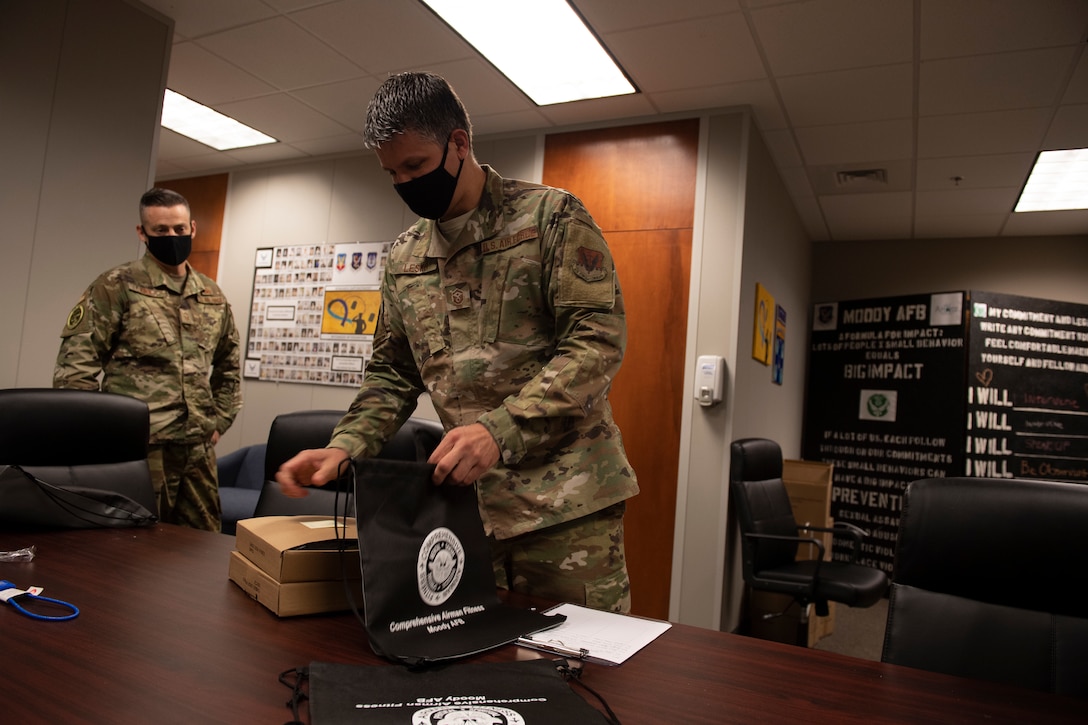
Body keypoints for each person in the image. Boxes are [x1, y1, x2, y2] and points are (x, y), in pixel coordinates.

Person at [277, 72, 639, 612]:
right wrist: (345, 445)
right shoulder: (404, 257)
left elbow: (596, 343)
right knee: (478, 668)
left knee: (580, 670)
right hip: (466, 508)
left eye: (416, 165)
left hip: (566, 508)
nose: (404, 182)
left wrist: (499, 430)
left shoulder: (549, 217)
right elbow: (392, 373)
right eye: (392, 173)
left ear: (459, 143)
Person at [54, 187, 242, 532]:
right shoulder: (116, 286)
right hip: (140, 449)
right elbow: (75, 369)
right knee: (133, 547)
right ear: (143, 233)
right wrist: (102, 436)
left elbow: (229, 367)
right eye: (161, 231)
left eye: (179, 229)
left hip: (197, 448)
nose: (172, 237)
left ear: (192, 229)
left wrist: (219, 423)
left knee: (203, 549)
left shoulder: (212, 294)